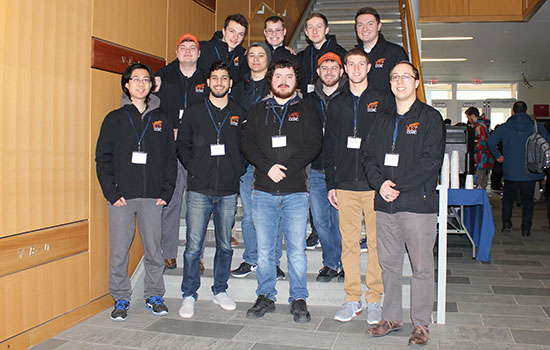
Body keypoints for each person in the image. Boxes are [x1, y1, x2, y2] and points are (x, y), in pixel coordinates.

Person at [364, 61, 445, 346]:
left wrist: (396, 185)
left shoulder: (430, 118)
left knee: (421, 267)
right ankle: (391, 318)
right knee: (389, 265)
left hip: (417, 204)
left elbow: (430, 162)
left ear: (417, 82)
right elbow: (368, 158)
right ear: (390, 82)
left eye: (406, 77)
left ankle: (421, 324)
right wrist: (379, 183)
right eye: (395, 77)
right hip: (385, 204)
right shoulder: (381, 119)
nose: (400, 82)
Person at [240, 59, 322, 323]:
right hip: (262, 191)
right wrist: (267, 167)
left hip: (296, 192)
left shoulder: (308, 109)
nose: (283, 81)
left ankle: (298, 298)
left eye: (288, 76)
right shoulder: (256, 110)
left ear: (296, 81)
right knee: (265, 251)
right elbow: (246, 143)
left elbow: (314, 144)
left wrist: (286, 168)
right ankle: (265, 295)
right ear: (271, 80)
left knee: (296, 250)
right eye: (278, 76)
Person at [96, 63, 177, 321]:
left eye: (146, 79)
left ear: (152, 85)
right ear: (127, 85)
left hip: (153, 196)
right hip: (121, 197)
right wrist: (111, 192)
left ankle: (154, 294)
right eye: (136, 79)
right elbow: (103, 158)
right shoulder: (114, 118)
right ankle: (121, 297)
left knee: (154, 249)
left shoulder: (162, 119)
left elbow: (169, 159)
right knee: (119, 250)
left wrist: (167, 191)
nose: (141, 84)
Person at [324, 48, 391, 324]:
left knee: (376, 244)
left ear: (368, 67)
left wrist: (386, 179)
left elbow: (389, 141)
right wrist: (331, 183)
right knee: (349, 244)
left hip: (373, 183)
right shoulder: (336, 103)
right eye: (350, 64)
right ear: (344, 69)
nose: (355, 68)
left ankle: (375, 299)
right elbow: (329, 147)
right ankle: (352, 299)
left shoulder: (382, 100)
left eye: (360, 64)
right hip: (345, 185)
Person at [176, 61, 246, 318]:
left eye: (223, 78)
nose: (219, 82)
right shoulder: (193, 111)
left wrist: (236, 169)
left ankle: (220, 289)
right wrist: (194, 167)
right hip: (199, 189)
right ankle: (189, 294)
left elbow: (246, 147)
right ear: (208, 82)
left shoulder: (239, 112)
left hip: (228, 190)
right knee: (194, 245)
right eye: (214, 77)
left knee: (225, 245)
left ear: (230, 83)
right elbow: (181, 145)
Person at [230, 43, 285, 280]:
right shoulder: (239, 87)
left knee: (275, 212)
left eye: (260, 55)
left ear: (268, 59)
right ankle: (252, 259)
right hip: (245, 159)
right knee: (251, 215)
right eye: (251, 55)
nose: (255, 59)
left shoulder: (278, 86)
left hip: (271, 161)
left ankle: (273, 261)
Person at [154, 33, 207, 270]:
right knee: (172, 202)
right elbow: (153, 111)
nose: (187, 51)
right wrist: (168, 131)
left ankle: (197, 255)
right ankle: (168, 252)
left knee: (199, 203)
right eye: (183, 47)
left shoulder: (207, 78)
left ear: (198, 53)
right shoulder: (162, 77)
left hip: (198, 151)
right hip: (171, 151)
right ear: (176, 52)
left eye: (192, 47)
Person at [305, 52, 347, 282]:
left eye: (334, 68)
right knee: (321, 221)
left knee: (341, 221)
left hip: (342, 170)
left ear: (341, 71)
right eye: (325, 68)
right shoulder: (308, 101)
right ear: (319, 72)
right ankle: (331, 263)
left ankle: (345, 264)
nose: (329, 72)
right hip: (315, 170)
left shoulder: (349, 98)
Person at [488, 101, 550, 237]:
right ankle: (526, 228)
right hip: (531, 170)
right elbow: (547, 142)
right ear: (526, 111)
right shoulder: (536, 126)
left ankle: (506, 224)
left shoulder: (505, 127)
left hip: (511, 169)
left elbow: (491, 141)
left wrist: (498, 156)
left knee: (508, 199)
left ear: (513, 111)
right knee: (528, 200)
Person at [354, 7, 408, 94]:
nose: (364, 29)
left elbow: (405, 84)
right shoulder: (353, 56)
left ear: (379, 26)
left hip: (388, 107)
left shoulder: (395, 52)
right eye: (360, 25)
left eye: (370, 24)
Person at [297, 13, 346, 94]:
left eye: (319, 26)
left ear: (326, 30)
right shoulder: (302, 56)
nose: (314, 31)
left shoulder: (340, 54)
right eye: (310, 27)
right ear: (306, 32)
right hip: (309, 101)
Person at [198, 14, 248, 85]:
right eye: (232, 31)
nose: (235, 37)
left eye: (240, 34)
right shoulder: (203, 49)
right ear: (224, 31)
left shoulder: (243, 55)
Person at [464, 107, 494, 189]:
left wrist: (472, 150)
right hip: (483, 158)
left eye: (468, 117)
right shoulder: (482, 125)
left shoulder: (479, 126)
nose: (468, 119)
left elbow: (482, 143)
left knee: (480, 183)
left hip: (481, 159)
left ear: (472, 116)